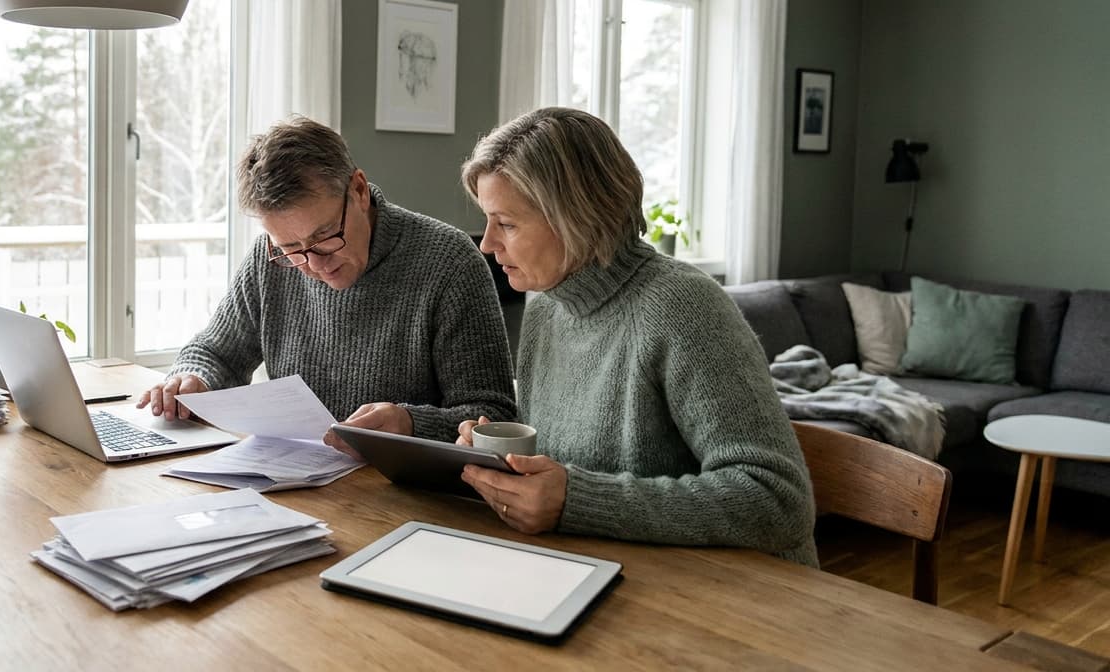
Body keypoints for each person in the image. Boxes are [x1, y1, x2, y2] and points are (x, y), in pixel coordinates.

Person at [455, 107, 818, 567]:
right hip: (610, 572)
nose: (486, 244)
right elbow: (568, 460)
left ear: (577, 218)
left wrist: (579, 501)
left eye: (505, 223)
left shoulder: (683, 307)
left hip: (736, 600)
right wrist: (504, 463)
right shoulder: (548, 303)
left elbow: (778, 502)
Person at [137, 117, 516, 444]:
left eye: (324, 237)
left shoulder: (448, 262)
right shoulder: (269, 260)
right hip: (293, 482)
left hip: (401, 500)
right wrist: (192, 378)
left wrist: (411, 424)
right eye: (290, 247)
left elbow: (493, 415)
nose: (313, 264)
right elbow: (215, 352)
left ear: (359, 190)